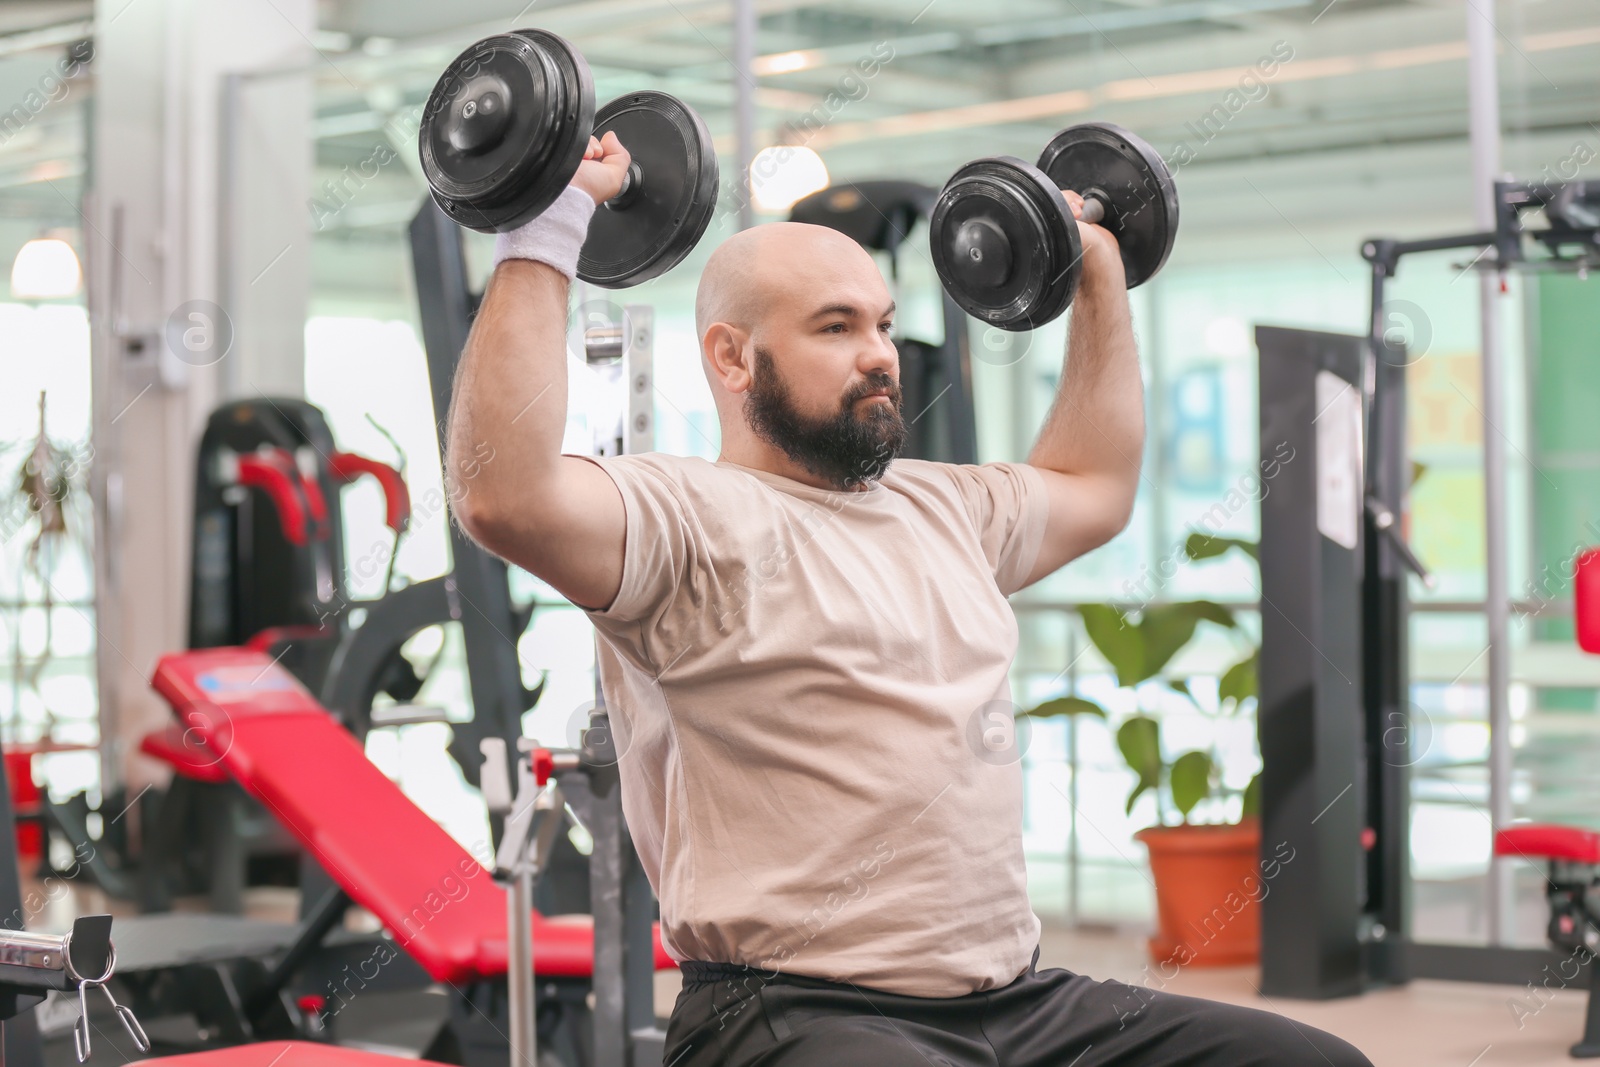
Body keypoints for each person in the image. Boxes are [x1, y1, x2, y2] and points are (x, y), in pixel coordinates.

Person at [447, 132, 1372, 1067]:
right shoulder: (685, 517)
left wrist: (1096, 270)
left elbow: (1094, 483)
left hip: (1023, 1003)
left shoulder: (942, 506)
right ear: (732, 358)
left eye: (884, 324)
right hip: (798, 1014)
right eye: (837, 327)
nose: (881, 354)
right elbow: (503, 493)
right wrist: (549, 221)